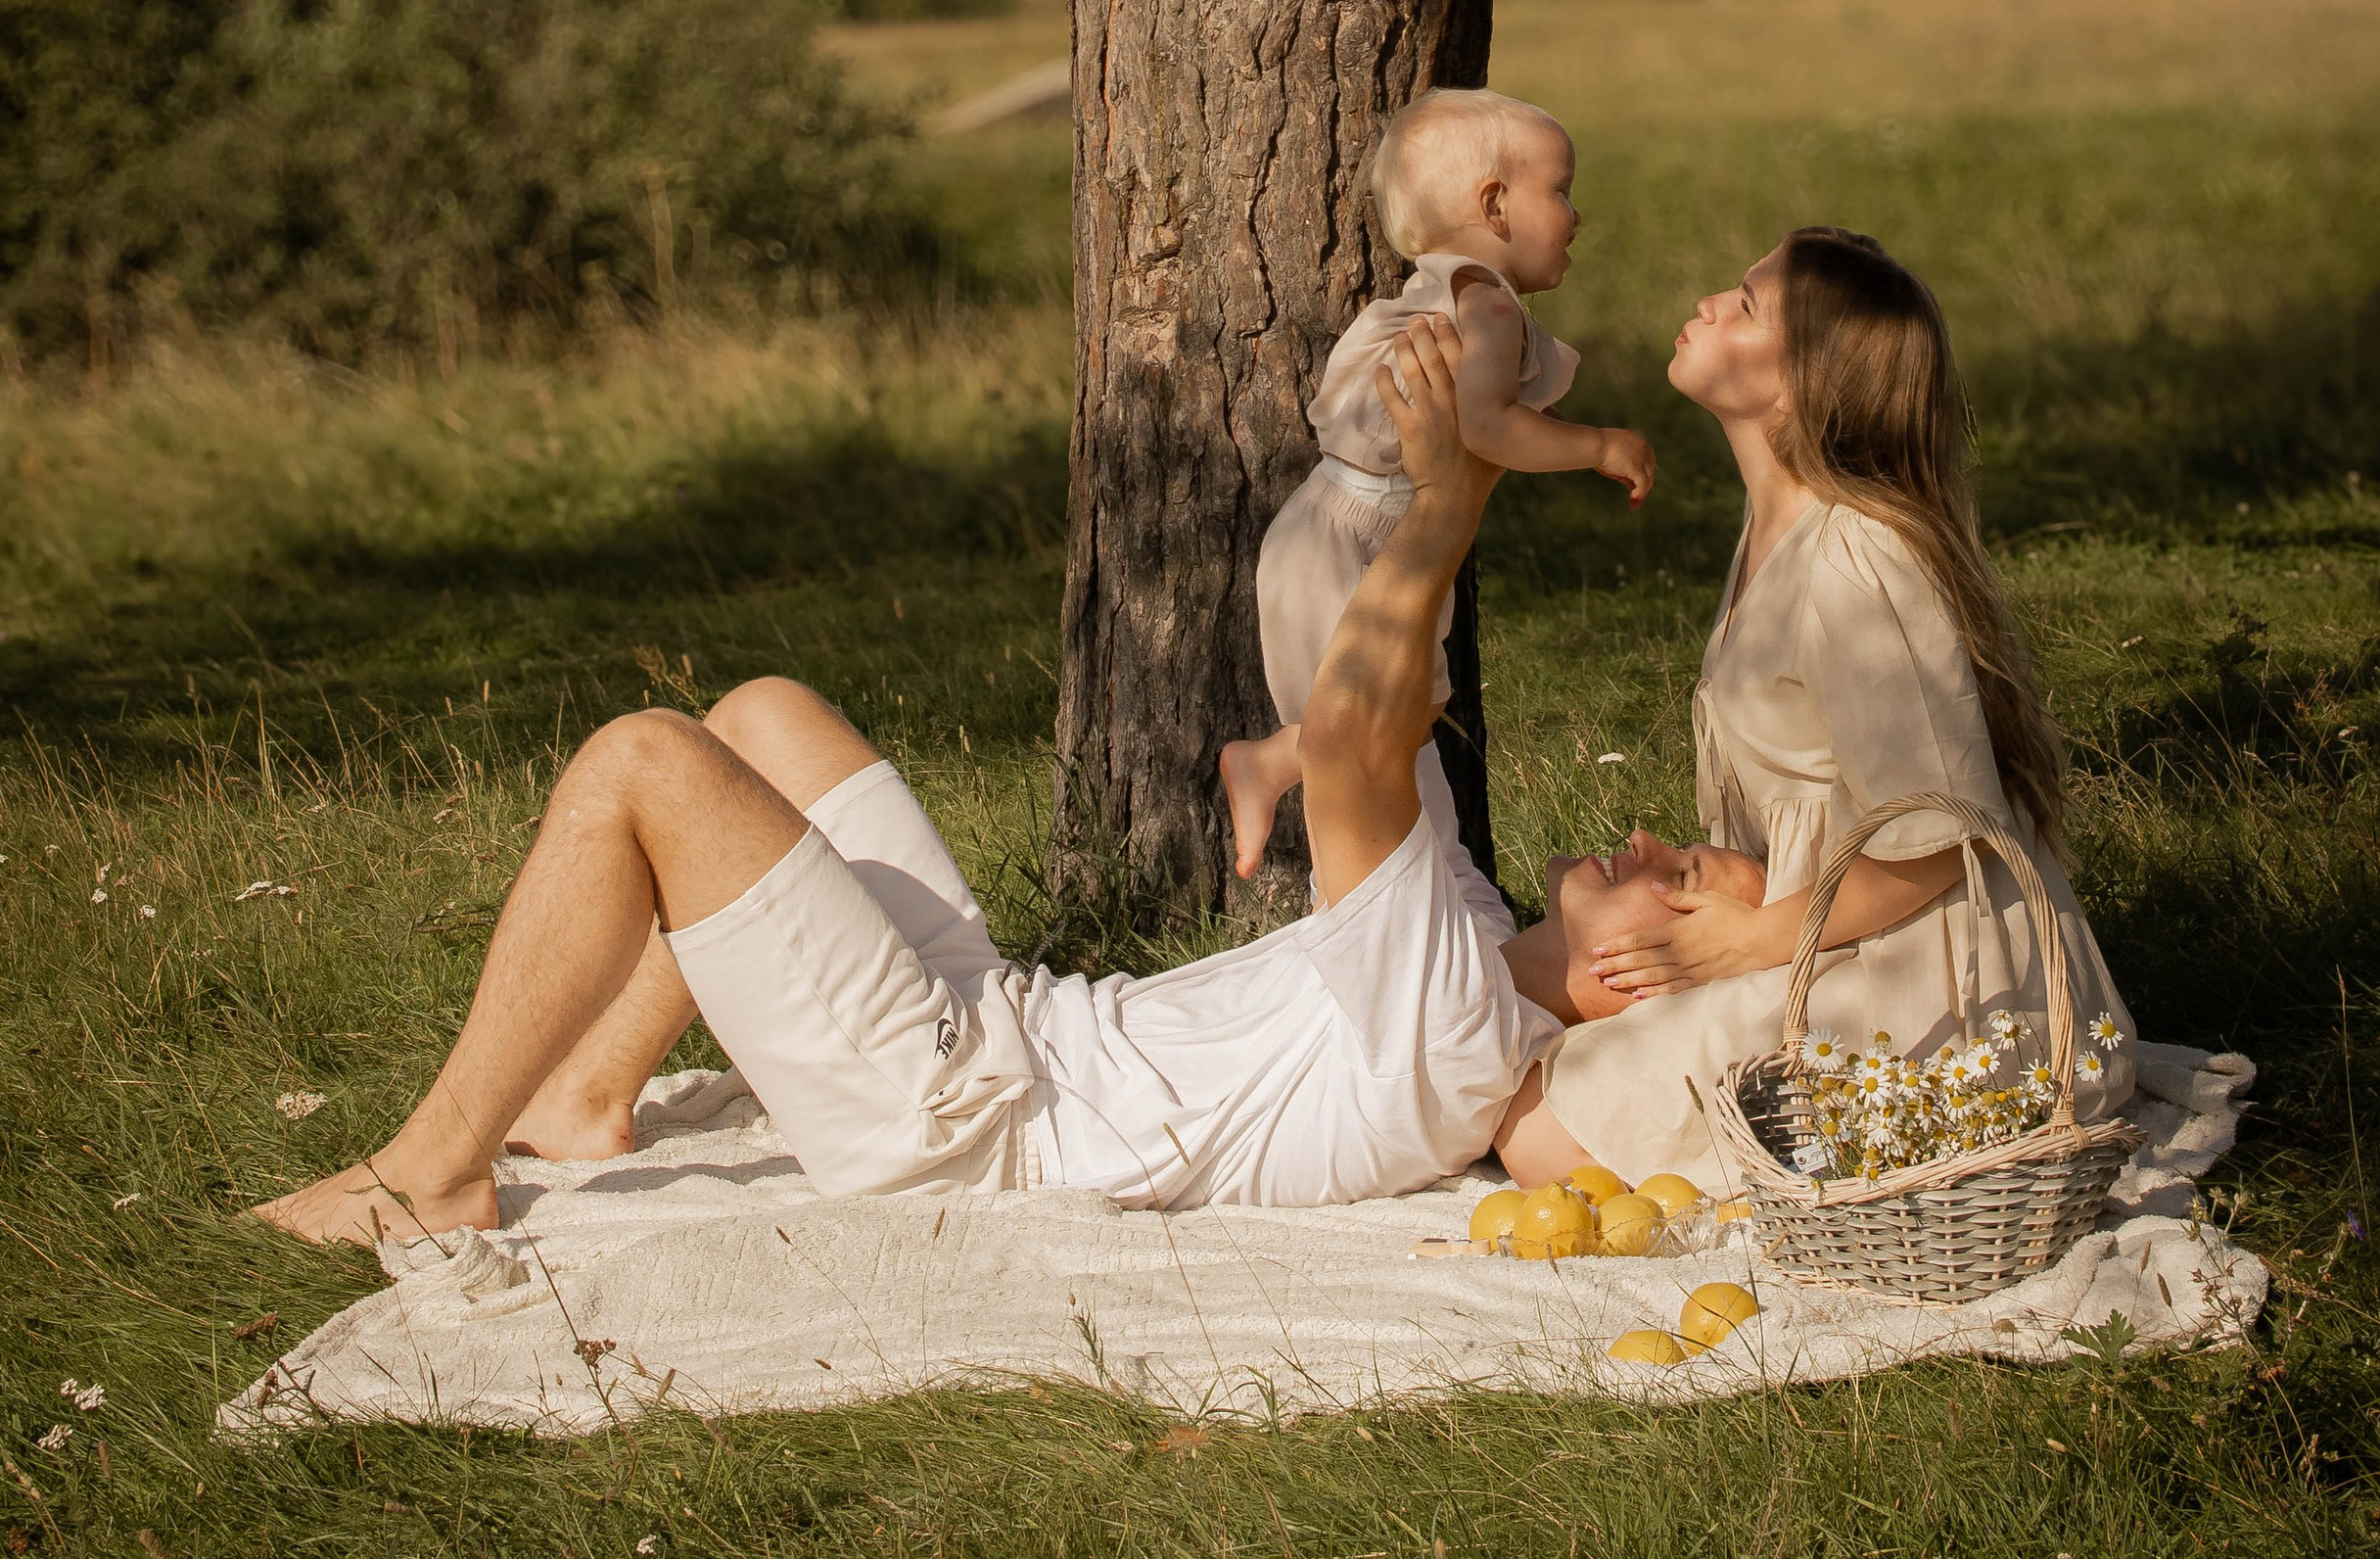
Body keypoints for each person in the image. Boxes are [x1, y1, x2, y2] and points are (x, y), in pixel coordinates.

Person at [253, 311, 1569, 1249]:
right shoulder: (1465, 920)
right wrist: (1444, 453)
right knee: (761, 718)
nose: (1641, 850)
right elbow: (1380, 685)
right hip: (1006, 1029)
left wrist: (1455, 497)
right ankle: (581, 1098)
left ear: (1626, 973)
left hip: (970, 1128)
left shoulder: (1459, 1032)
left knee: (641, 765)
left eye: (1662, 878)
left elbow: (1352, 732)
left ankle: (431, 1175)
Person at [1490, 226, 2136, 1199]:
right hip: (1818, 928)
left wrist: (1748, 944)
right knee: (1510, 1014)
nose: (1709, 304)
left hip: (1931, 977)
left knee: (1541, 1132)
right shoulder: (1775, 529)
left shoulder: (1855, 558)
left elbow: (1938, 838)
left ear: (1799, 385)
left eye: (1746, 307)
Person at [1220, 89, 1655, 895]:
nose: (1575, 216)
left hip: (1337, 528)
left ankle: (1302, 799)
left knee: (1398, 715)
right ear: (1494, 205)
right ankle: (1281, 775)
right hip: (1352, 538)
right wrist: (1597, 445)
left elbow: (1482, 415)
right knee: (1375, 728)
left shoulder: (1448, 292)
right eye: (1561, 191)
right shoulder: (1485, 303)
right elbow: (1488, 427)